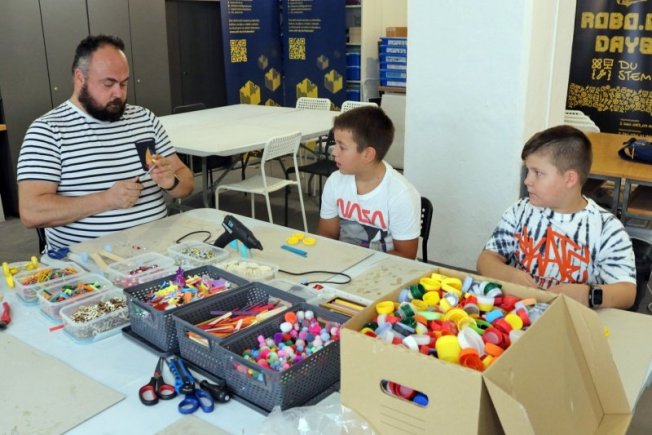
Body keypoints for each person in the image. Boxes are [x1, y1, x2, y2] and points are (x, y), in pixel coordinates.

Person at [17, 35, 193, 249]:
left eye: (124, 83)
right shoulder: (48, 131)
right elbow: (31, 212)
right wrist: (106, 200)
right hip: (87, 262)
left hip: (156, 253)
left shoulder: (144, 119)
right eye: (108, 83)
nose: (119, 93)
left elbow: (186, 183)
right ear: (80, 78)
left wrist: (172, 182)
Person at [476, 125, 636, 309]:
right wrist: (508, 275)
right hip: (517, 316)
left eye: (538, 173)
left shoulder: (607, 229)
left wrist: (587, 294)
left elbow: (627, 292)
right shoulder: (519, 211)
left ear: (569, 179)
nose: (527, 181)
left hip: (573, 318)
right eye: (528, 171)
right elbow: (486, 260)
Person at [318, 106, 421, 259]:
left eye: (342, 147)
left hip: (385, 269)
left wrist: (355, 262)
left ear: (367, 154)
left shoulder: (401, 195)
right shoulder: (335, 181)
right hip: (343, 263)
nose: (334, 152)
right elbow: (327, 235)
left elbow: (405, 255)